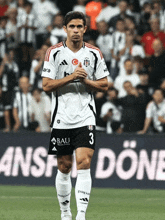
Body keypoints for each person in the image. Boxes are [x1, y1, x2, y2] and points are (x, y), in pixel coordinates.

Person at [42, 11, 109, 220]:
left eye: (80, 27)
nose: (76, 31)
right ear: (65, 29)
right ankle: (65, 213)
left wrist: (87, 81)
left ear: (85, 29)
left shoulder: (94, 53)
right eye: (72, 27)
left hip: (85, 117)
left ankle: (81, 215)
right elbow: (46, 85)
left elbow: (105, 84)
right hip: (61, 117)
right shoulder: (53, 53)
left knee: (83, 162)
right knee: (64, 166)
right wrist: (72, 77)